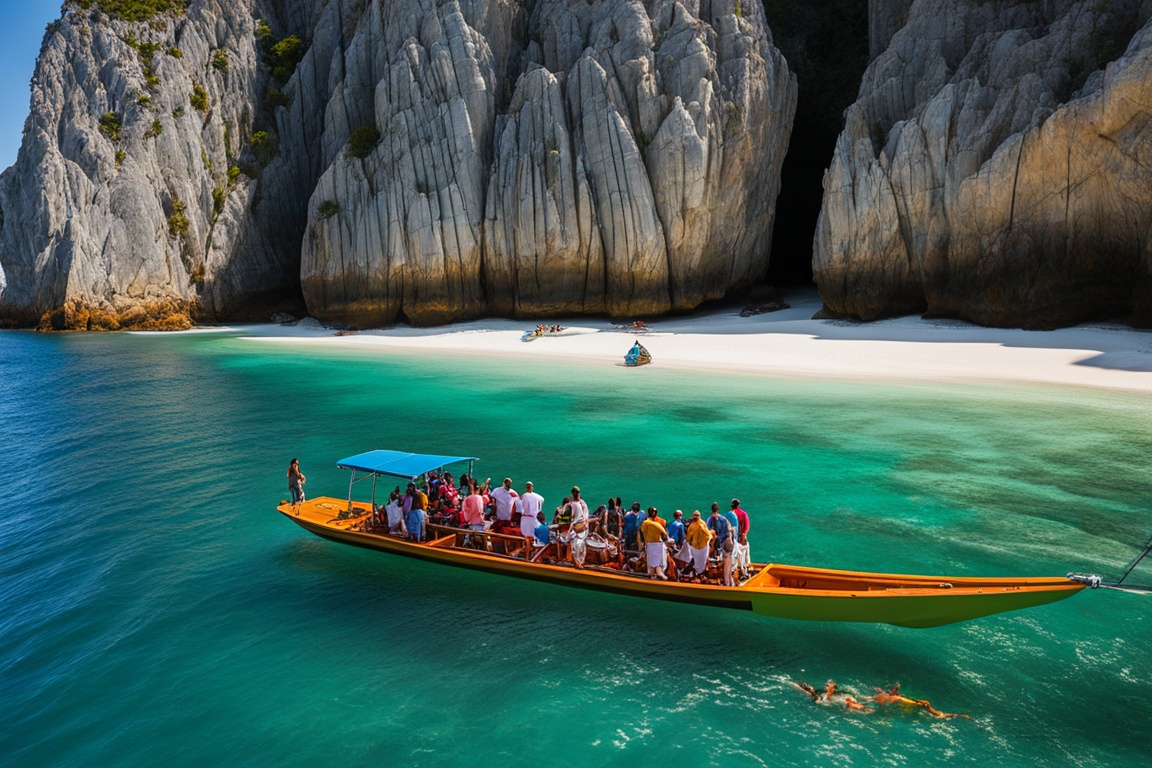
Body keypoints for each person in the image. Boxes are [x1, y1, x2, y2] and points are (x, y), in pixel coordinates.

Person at [871, 684, 970, 719]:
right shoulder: (889, 697)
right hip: (910, 706)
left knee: (939, 715)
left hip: (918, 706)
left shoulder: (895, 698)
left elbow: (924, 703)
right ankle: (958, 715)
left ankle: (959, 715)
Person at [707, 502, 735, 586]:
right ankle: (730, 581)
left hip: (719, 542)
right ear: (718, 509)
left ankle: (726, 582)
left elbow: (708, 532)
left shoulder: (710, 519)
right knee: (729, 559)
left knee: (725, 560)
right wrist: (730, 538)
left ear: (712, 510)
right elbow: (729, 526)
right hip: (727, 540)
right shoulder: (723, 518)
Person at [640, 506, 669, 580]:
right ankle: (659, 573)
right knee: (658, 560)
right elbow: (664, 532)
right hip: (657, 543)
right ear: (653, 513)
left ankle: (652, 573)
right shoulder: (655, 524)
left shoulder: (644, 523)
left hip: (648, 543)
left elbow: (642, 532)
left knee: (650, 559)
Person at [684, 510, 712, 579]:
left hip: (703, 546)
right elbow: (688, 536)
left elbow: (707, 534)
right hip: (694, 546)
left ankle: (701, 573)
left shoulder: (702, 524)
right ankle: (697, 573)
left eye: (696, 515)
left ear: (699, 516)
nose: (695, 517)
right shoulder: (692, 525)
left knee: (702, 560)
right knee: (696, 560)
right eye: (694, 515)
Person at [567, 486, 590, 568]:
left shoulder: (573, 504)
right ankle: (579, 561)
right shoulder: (582, 503)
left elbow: (572, 518)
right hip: (583, 527)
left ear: (573, 494)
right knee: (580, 544)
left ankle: (578, 562)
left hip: (578, 528)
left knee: (575, 544)